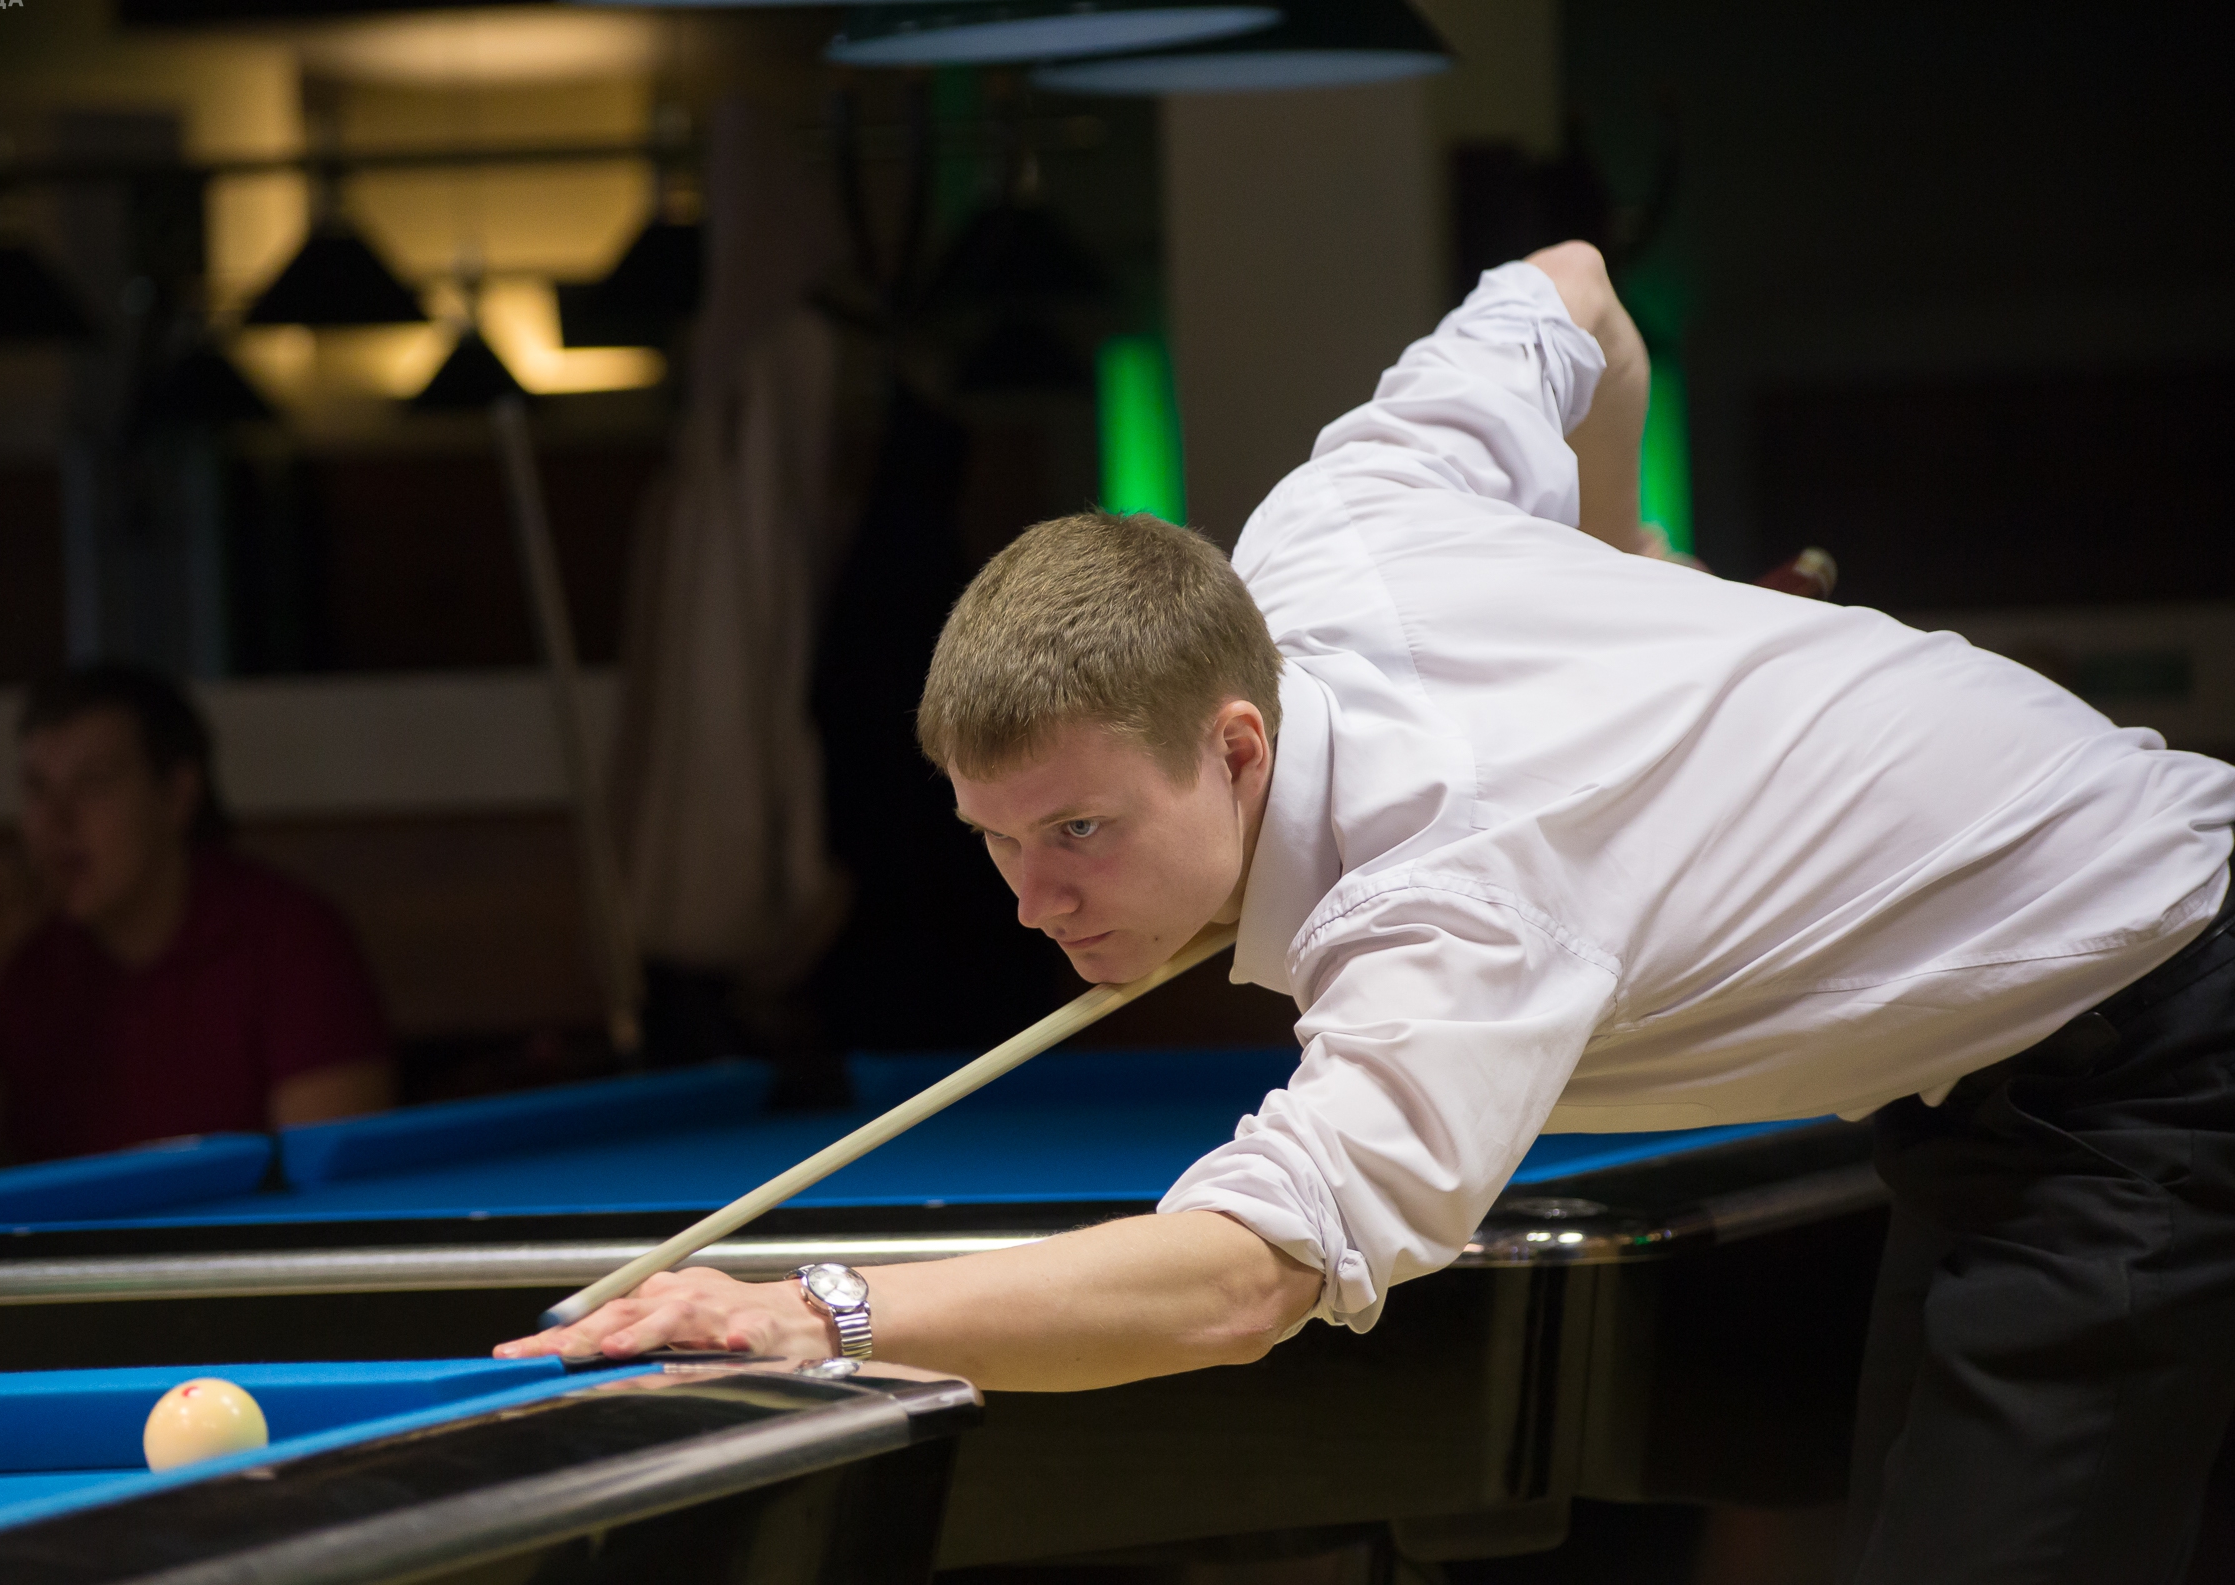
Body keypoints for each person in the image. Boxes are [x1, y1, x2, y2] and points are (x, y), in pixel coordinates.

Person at [496, 243, 2235, 1584]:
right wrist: (1622, 540)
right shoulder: (1339, 523)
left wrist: (821, 1312)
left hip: (2161, 1039)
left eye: (1083, 827)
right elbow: (1574, 292)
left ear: (1237, 744)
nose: (1037, 902)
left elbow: (1238, 1282)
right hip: (1990, 1072)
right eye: (999, 842)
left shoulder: (1445, 893)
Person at [0, 665, 396, 1188]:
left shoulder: (285, 935)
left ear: (176, 796)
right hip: (61, 1251)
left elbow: (331, 1181)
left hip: (229, 1247)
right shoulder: (9, 950)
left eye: (93, 785)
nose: (56, 822)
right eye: (36, 789)